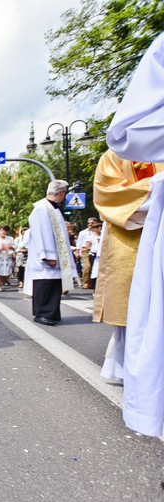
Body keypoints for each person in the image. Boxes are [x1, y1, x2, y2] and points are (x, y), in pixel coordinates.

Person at [104, 30, 164, 436]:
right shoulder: (114, 159)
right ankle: (122, 366)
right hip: (130, 233)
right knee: (136, 310)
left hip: (150, 225)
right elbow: (109, 192)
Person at [90, 151, 161, 383]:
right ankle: (128, 369)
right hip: (127, 238)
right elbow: (108, 195)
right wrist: (157, 187)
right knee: (131, 302)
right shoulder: (115, 155)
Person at [23, 179, 77, 326]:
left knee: (54, 285)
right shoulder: (41, 209)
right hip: (46, 257)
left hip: (55, 257)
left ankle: (52, 313)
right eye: (65, 193)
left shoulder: (53, 209)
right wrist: (49, 255)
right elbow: (42, 234)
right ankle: (42, 314)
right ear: (61, 193)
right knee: (45, 284)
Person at [0, 226, 15, 291]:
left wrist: (10, 247)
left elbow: (15, 247)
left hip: (7, 257)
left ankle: (4, 281)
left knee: (7, 272)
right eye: (1, 230)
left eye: (4, 230)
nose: (3, 232)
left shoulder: (10, 239)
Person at [75, 217, 98, 288]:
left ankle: (91, 283)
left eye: (92, 223)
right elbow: (78, 243)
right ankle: (85, 282)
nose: (90, 224)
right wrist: (77, 252)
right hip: (85, 250)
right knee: (87, 266)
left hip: (94, 250)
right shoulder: (83, 232)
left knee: (93, 267)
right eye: (89, 223)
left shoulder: (97, 232)